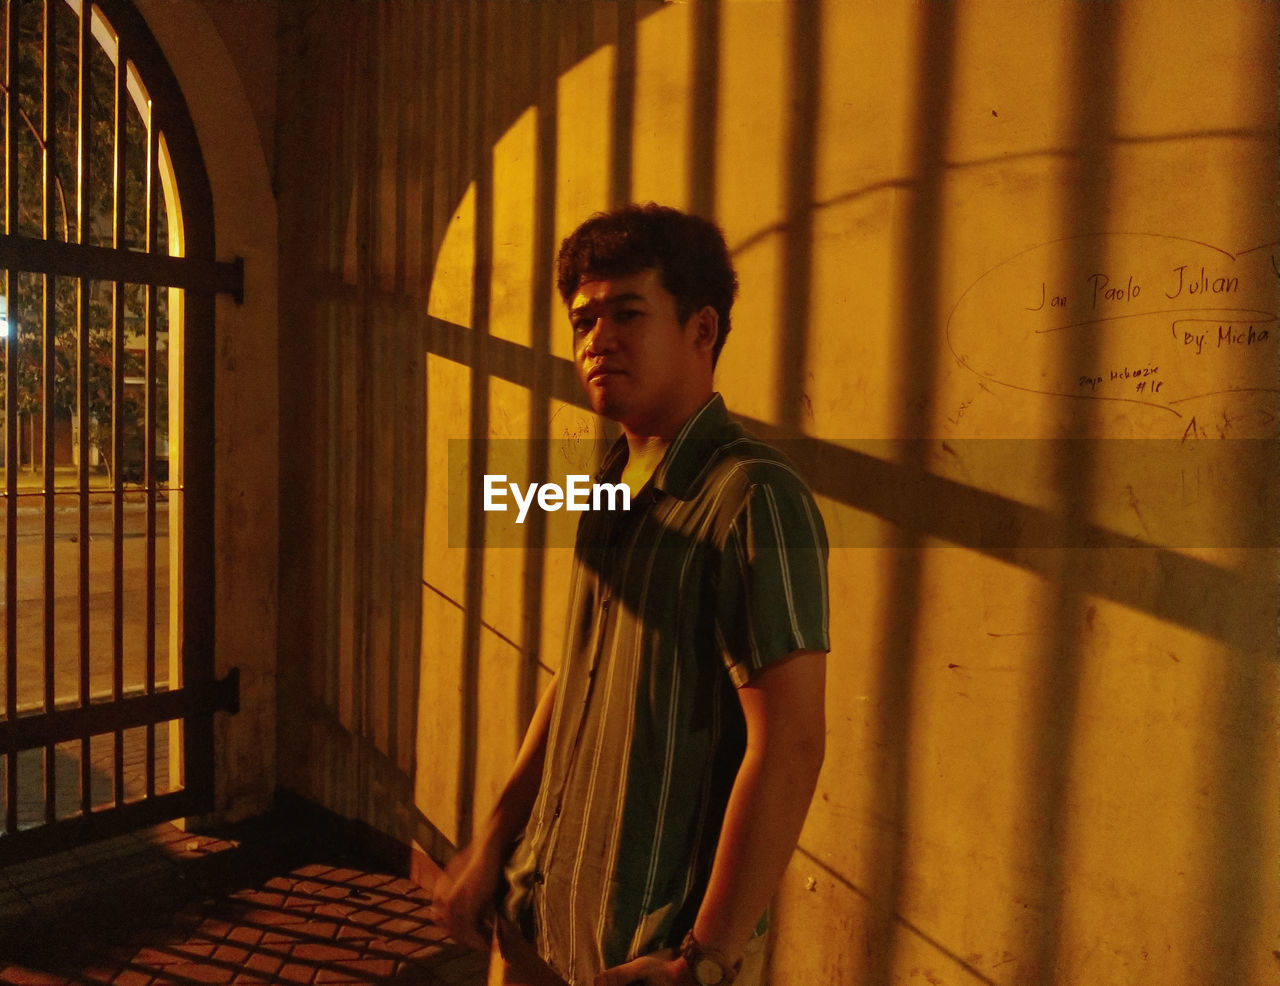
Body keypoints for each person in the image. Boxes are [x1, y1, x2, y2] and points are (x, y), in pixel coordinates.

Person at [430, 204, 830, 986]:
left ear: (702, 330)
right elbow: (578, 678)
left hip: (646, 951)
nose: (596, 339)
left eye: (626, 313)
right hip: (539, 911)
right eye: (582, 319)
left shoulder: (752, 497)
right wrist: (493, 841)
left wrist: (703, 961)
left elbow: (790, 743)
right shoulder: (612, 482)